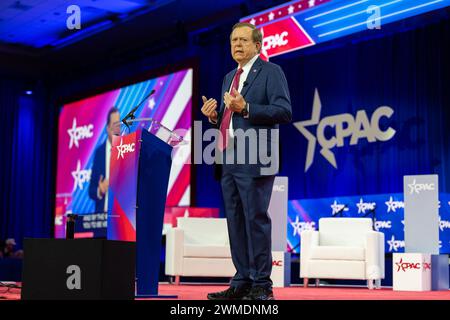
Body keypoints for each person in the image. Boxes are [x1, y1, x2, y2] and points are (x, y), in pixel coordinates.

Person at [201, 22, 292, 300]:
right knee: (235, 221)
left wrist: (247, 108)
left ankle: (262, 284)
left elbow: (284, 111)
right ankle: (241, 280)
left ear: (258, 45)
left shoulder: (271, 72)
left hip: (255, 156)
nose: (237, 45)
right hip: (227, 157)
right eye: (233, 41)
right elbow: (233, 118)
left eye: (243, 40)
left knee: (255, 219)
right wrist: (214, 117)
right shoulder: (229, 76)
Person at [89, 107, 120, 213]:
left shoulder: (127, 148)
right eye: (114, 125)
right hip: (102, 217)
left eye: (119, 125)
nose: (117, 130)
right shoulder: (99, 153)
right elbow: (91, 191)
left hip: (121, 218)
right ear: (107, 128)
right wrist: (100, 190)